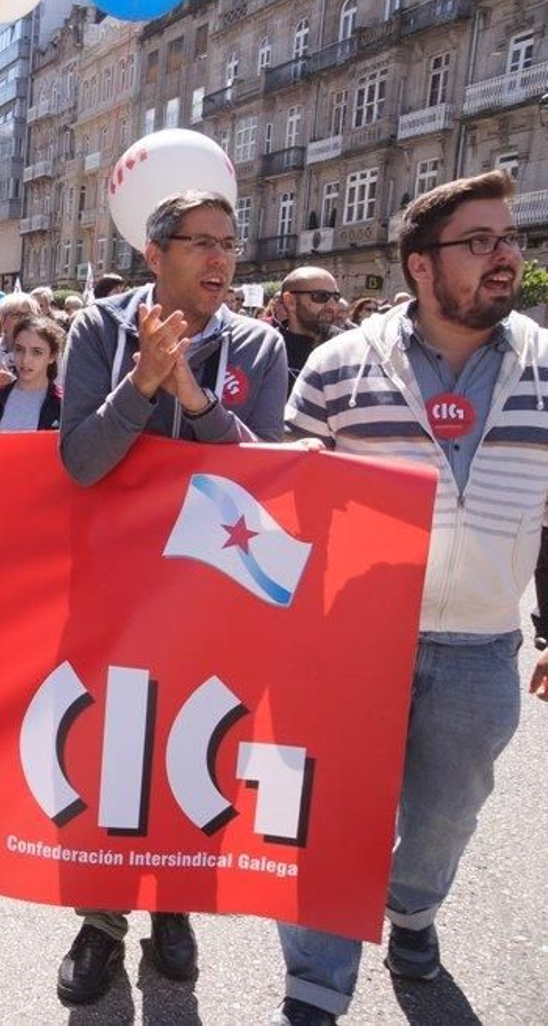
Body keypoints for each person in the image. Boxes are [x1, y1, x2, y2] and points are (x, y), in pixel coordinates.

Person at [275, 170, 548, 1026]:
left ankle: (413, 911)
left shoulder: (544, 365)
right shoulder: (337, 367)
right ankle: (313, 989)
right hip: (353, 645)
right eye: (481, 242)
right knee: (325, 822)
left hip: (479, 650)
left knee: (444, 819)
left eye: (510, 240)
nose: (506, 257)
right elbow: (285, 508)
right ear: (420, 266)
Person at [55, 190, 287, 1005]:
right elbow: (81, 461)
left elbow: (263, 477)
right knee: (110, 756)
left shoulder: (258, 344)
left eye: (230, 242)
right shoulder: (97, 331)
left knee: (201, 756)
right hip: (113, 594)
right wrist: (141, 384)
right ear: (155, 255)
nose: (222, 258)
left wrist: (194, 398)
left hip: (213, 602)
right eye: (201, 242)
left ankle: (176, 908)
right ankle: (101, 920)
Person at [0, 312, 65, 431]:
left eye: (37, 352)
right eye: (19, 349)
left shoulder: (64, 404)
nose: (25, 360)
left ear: (52, 357)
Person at [273, 267, 345, 390]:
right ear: (290, 301)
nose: (333, 306)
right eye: (321, 296)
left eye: (336, 297)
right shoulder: (269, 349)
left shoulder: (349, 345)